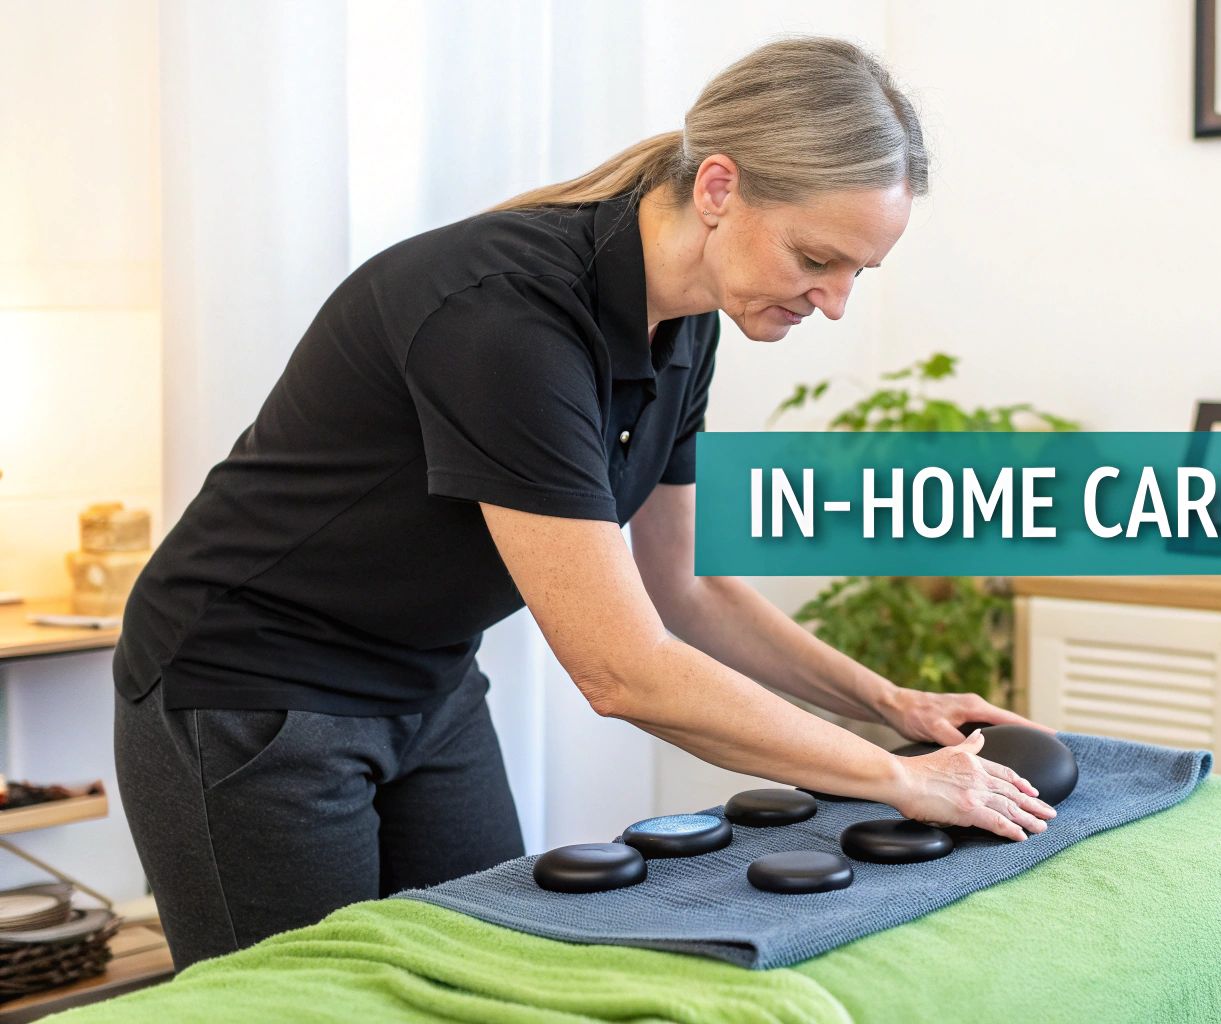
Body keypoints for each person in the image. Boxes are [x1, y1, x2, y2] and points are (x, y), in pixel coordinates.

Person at [113, 36, 1056, 971]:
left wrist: (887, 704)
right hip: (250, 688)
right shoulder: (506, 315)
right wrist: (898, 779)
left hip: (430, 682)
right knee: (306, 1002)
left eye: (861, 270)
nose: (838, 301)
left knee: (489, 979)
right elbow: (624, 669)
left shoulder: (685, 324)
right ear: (720, 189)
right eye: (819, 256)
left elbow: (687, 593)